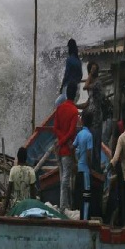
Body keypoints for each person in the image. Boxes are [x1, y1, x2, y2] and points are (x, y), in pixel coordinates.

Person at [53, 80, 79, 213]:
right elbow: (72, 131)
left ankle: (65, 204)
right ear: (75, 95)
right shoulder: (74, 111)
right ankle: (64, 206)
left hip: (59, 148)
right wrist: (64, 141)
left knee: (63, 175)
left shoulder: (59, 108)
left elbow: (56, 128)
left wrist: (59, 141)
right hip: (67, 149)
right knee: (66, 178)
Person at [1, 147, 36, 215]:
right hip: (27, 207)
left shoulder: (13, 170)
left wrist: (4, 210)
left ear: (17, 157)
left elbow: (9, 191)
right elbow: (33, 194)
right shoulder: (31, 171)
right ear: (26, 158)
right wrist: (34, 209)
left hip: (15, 207)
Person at [83, 61, 103, 171]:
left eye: (93, 70)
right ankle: (91, 166)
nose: (91, 73)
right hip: (91, 119)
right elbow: (88, 102)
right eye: (90, 70)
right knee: (91, 144)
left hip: (96, 119)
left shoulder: (97, 83)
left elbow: (85, 86)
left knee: (96, 144)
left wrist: (90, 73)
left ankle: (96, 168)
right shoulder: (93, 85)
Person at [73, 110, 93, 220]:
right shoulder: (89, 135)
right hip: (85, 170)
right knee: (86, 196)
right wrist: (90, 168)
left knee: (80, 196)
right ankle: (84, 220)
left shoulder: (79, 134)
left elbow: (73, 147)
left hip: (79, 169)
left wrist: (75, 162)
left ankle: (81, 218)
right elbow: (89, 154)